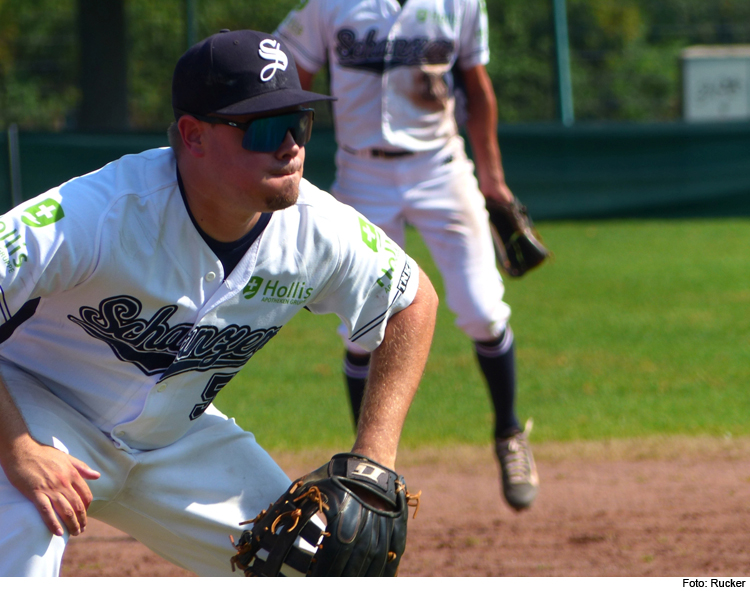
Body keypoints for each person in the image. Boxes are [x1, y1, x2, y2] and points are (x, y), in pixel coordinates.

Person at [0, 29, 437, 576]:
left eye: (299, 123)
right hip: (34, 410)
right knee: (23, 525)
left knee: (310, 561)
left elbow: (412, 298)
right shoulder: (102, 212)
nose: (291, 146)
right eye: (266, 127)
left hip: (175, 441)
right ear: (193, 135)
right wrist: (17, 446)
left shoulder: (316, 231)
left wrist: (375, 456)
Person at [275, 0, 539, 511]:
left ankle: (509, 433)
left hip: (441, 168)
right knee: (361, 326)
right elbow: (287, 75)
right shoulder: (331, 5)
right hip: (362, 172)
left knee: (483, 311)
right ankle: (369, 467)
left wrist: (494, 182)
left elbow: (477, 89)